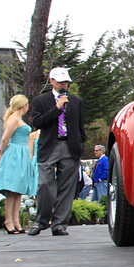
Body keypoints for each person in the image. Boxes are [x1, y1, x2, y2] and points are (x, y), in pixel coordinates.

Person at [29, 67, 86, 237]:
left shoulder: (76, 102)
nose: (63, 85)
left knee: (67, 187)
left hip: (70, 146)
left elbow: (80, 125)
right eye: (60, 82)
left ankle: (59, 224)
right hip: (49, 146)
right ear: (51, 81)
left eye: (66, 82)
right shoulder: (41, 101)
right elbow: (38, 122)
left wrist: (80, 143)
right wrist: (57, 108)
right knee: (45, 184)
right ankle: (41, 221)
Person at [0, 95, 38, 234]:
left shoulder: (19, 119)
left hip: (22, 153)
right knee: (12, 189)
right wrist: (3, 154)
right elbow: (5, 138)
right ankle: (8, 221)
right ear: (24, 105)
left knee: (18, 190)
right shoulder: (13, 119)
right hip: (15, 153)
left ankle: (16, 221)